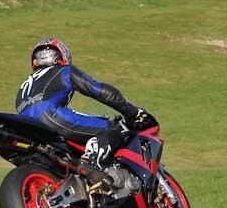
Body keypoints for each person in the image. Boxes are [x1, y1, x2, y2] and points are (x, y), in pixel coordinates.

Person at [15, 38, 157, 185]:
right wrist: (132, 112)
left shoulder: (23, 87)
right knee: (113, 127)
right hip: (52, 117)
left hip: (29, 127)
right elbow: (100, 91)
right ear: (62, 55)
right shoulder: (64, 71)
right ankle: (91, 162)